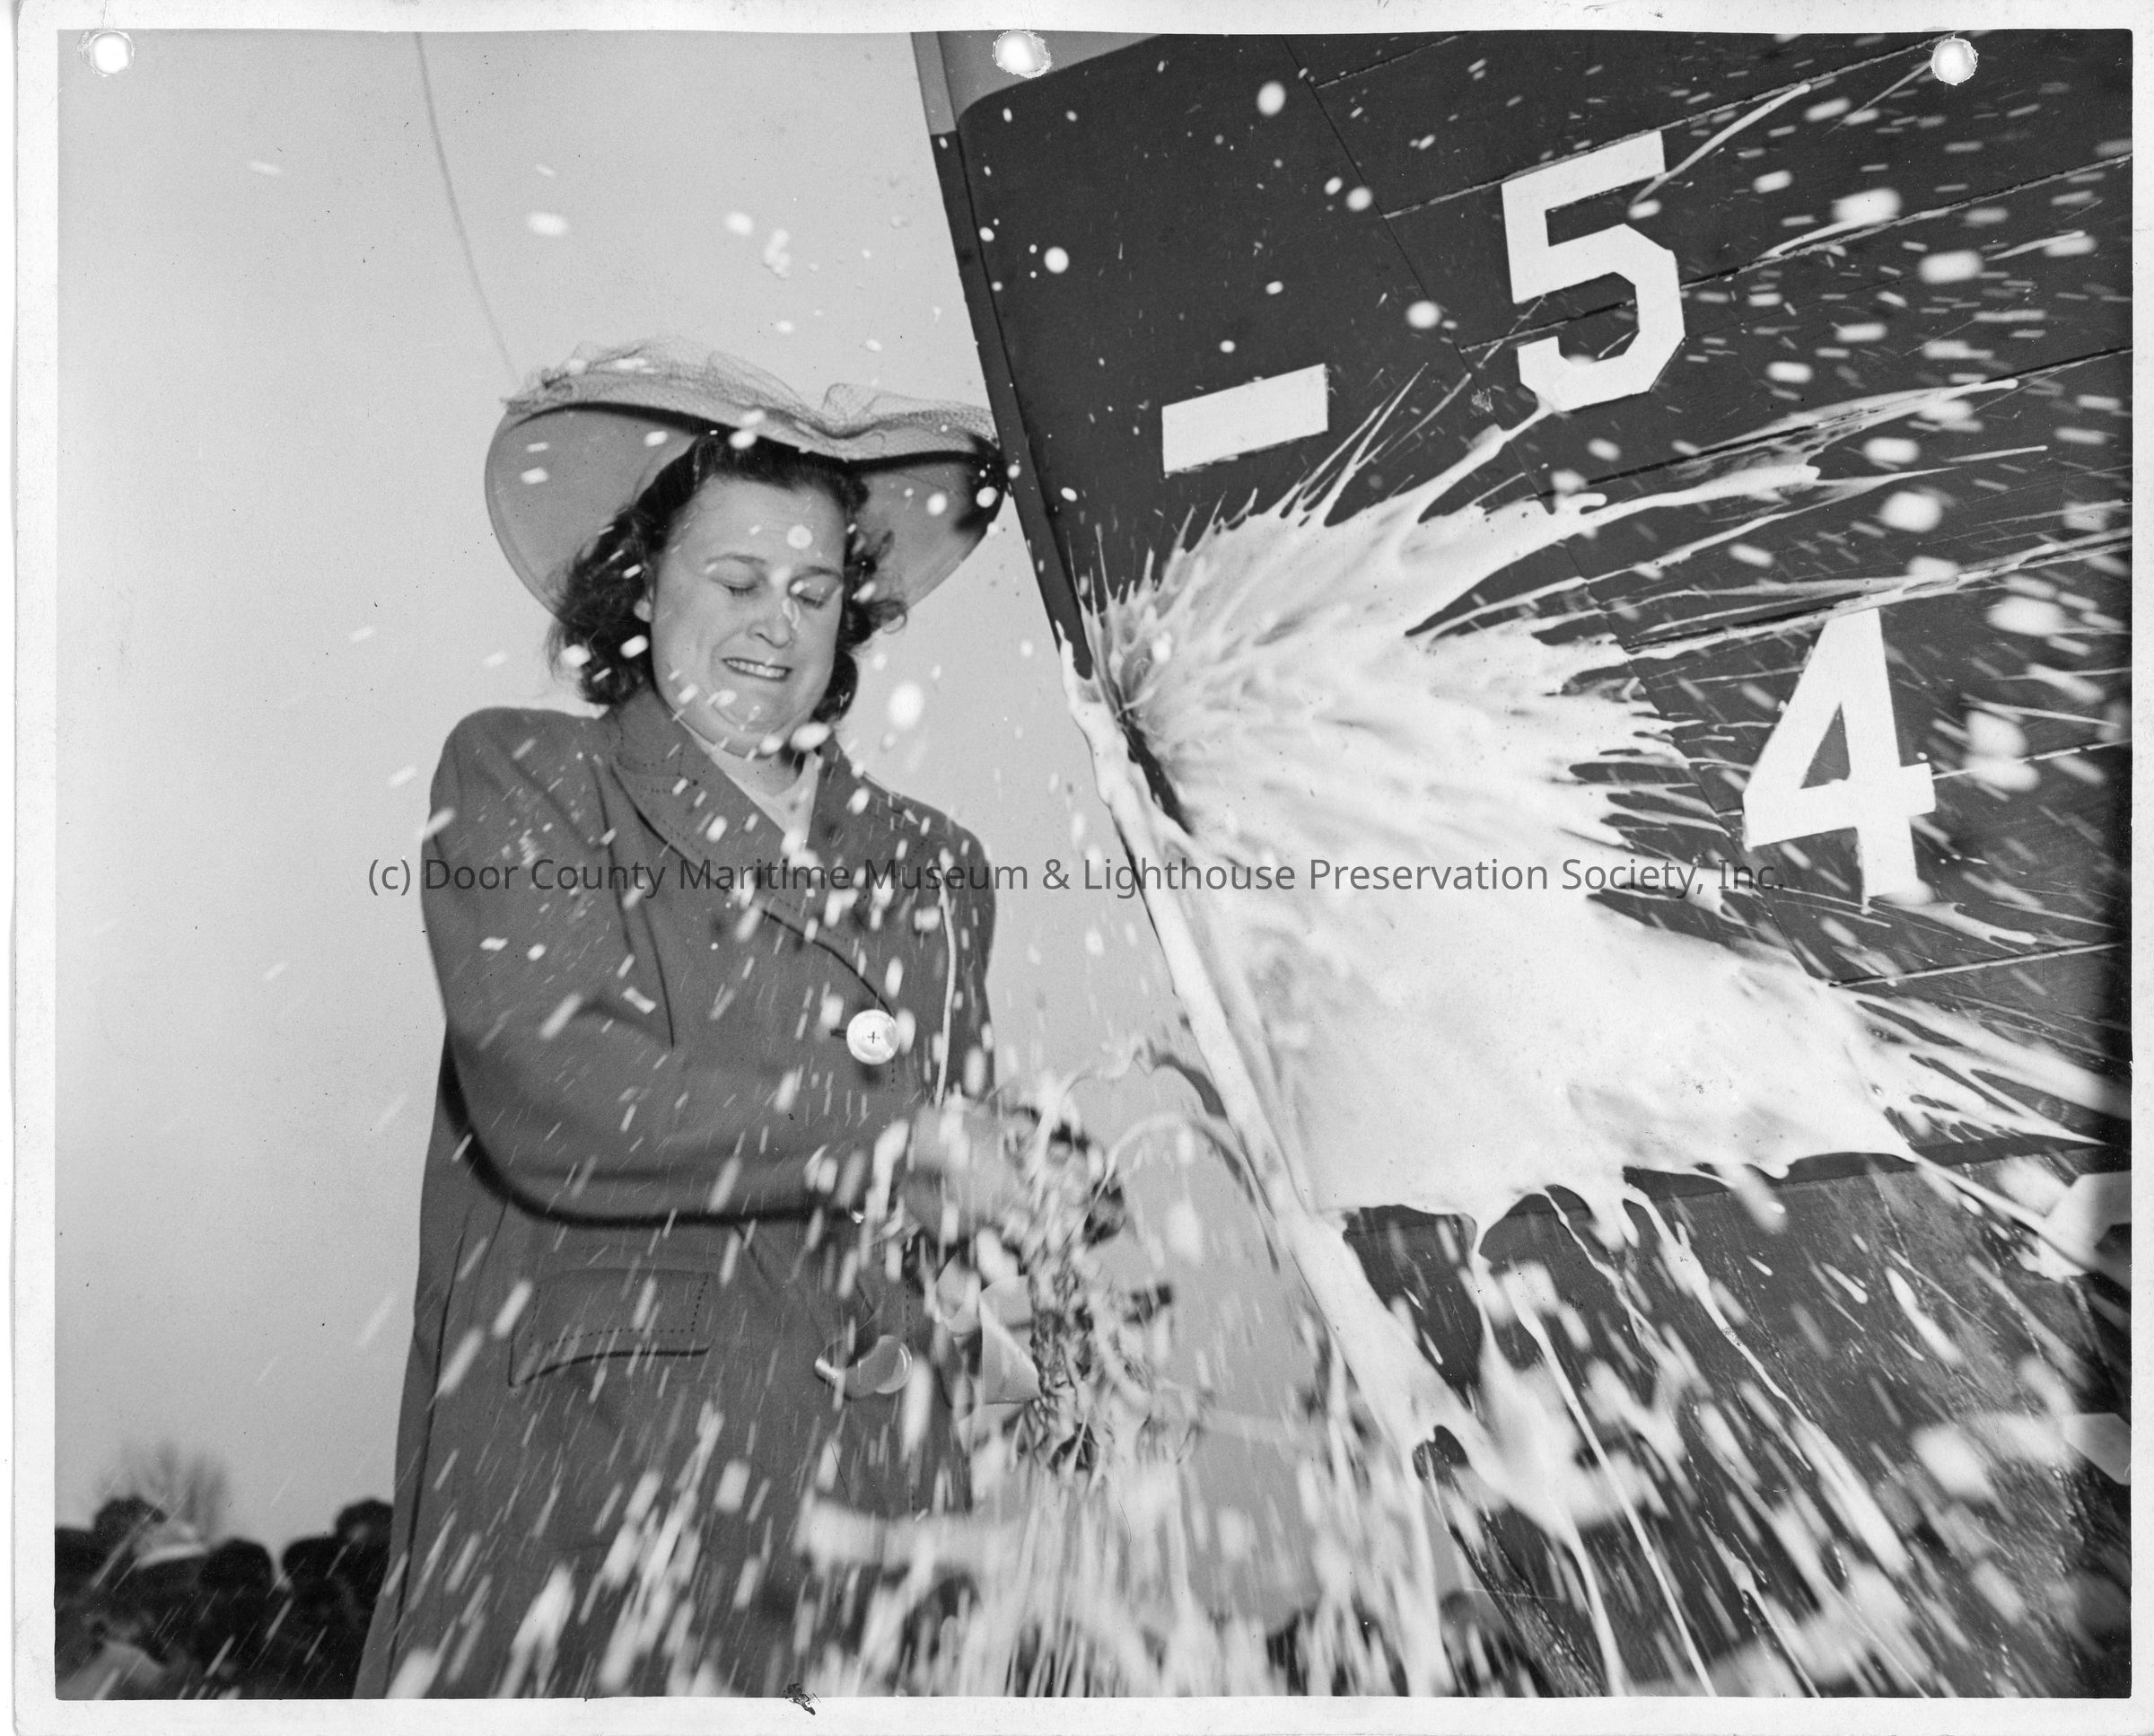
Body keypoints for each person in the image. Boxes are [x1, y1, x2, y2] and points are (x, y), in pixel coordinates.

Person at [356, 340, 1033, 1698]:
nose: (777, 623)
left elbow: (954, 1191)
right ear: (641, 584)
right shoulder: (529, 774)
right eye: (735, 580)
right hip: (598, 1501)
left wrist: (1027, 1317)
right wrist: (889, 1141)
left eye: (814, 590)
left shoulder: (938, 862)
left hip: (884, 1533)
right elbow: (554, 1082)